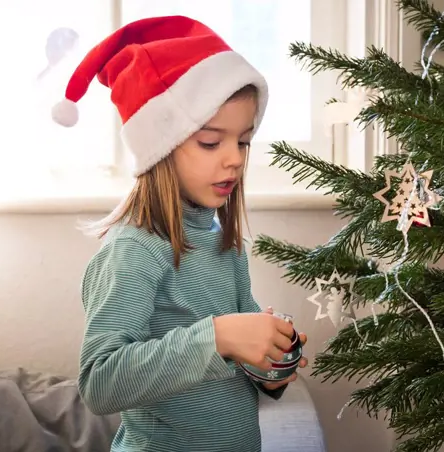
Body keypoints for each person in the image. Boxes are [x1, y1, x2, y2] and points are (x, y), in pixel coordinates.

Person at [51, 15, 308, 452]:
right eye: (211, 143)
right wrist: (220, 335)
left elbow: (246, 372)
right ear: (161, 146)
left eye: (243, 142)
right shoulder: (135, 249)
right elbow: (100, 382)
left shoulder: (226, 246)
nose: (234, 160)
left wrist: (274, 356)